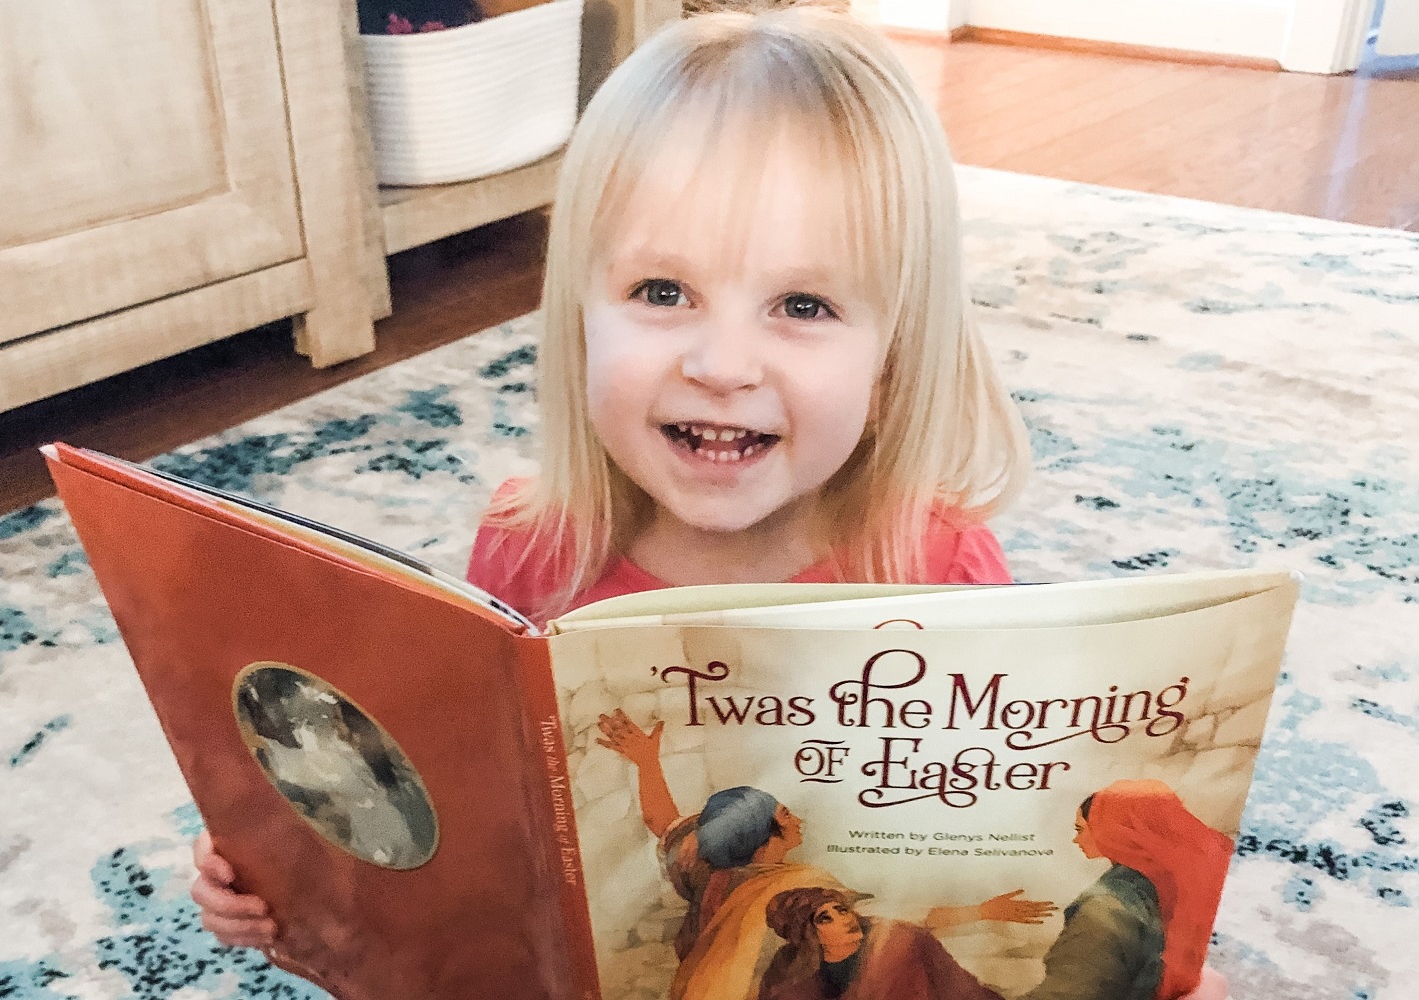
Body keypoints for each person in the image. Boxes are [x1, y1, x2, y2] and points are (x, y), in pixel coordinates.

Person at [188, 9, 1228, 998]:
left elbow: (1025, 841)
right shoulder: (530, 552)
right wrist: (290, 877)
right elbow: (461, 833)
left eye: (803, 305)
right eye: (662, 292)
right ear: (579, 315)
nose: (722, 363)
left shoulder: (940, 567)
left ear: (894, 357)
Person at [598, 709, 1051, 1000]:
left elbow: (663, 823)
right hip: (763, 989)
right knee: (909, 948)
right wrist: (984, 911)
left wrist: (647, 763)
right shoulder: (791, 884)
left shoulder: (705, 861)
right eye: (785, 814)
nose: (796, 820)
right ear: (765, 837)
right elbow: (896, 914)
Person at [1018, 780, 1236, 1000]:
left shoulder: (1109, 906)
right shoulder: (1181, 886)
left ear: (1113, 829)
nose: (1076, 839)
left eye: (1081, 829)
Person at [759, 887, 1005, 1000]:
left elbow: (961, 989)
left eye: (842, 909)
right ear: (807, 933)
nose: (844, 920)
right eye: (826, 918)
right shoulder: (788, 968)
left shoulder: (903, 940)